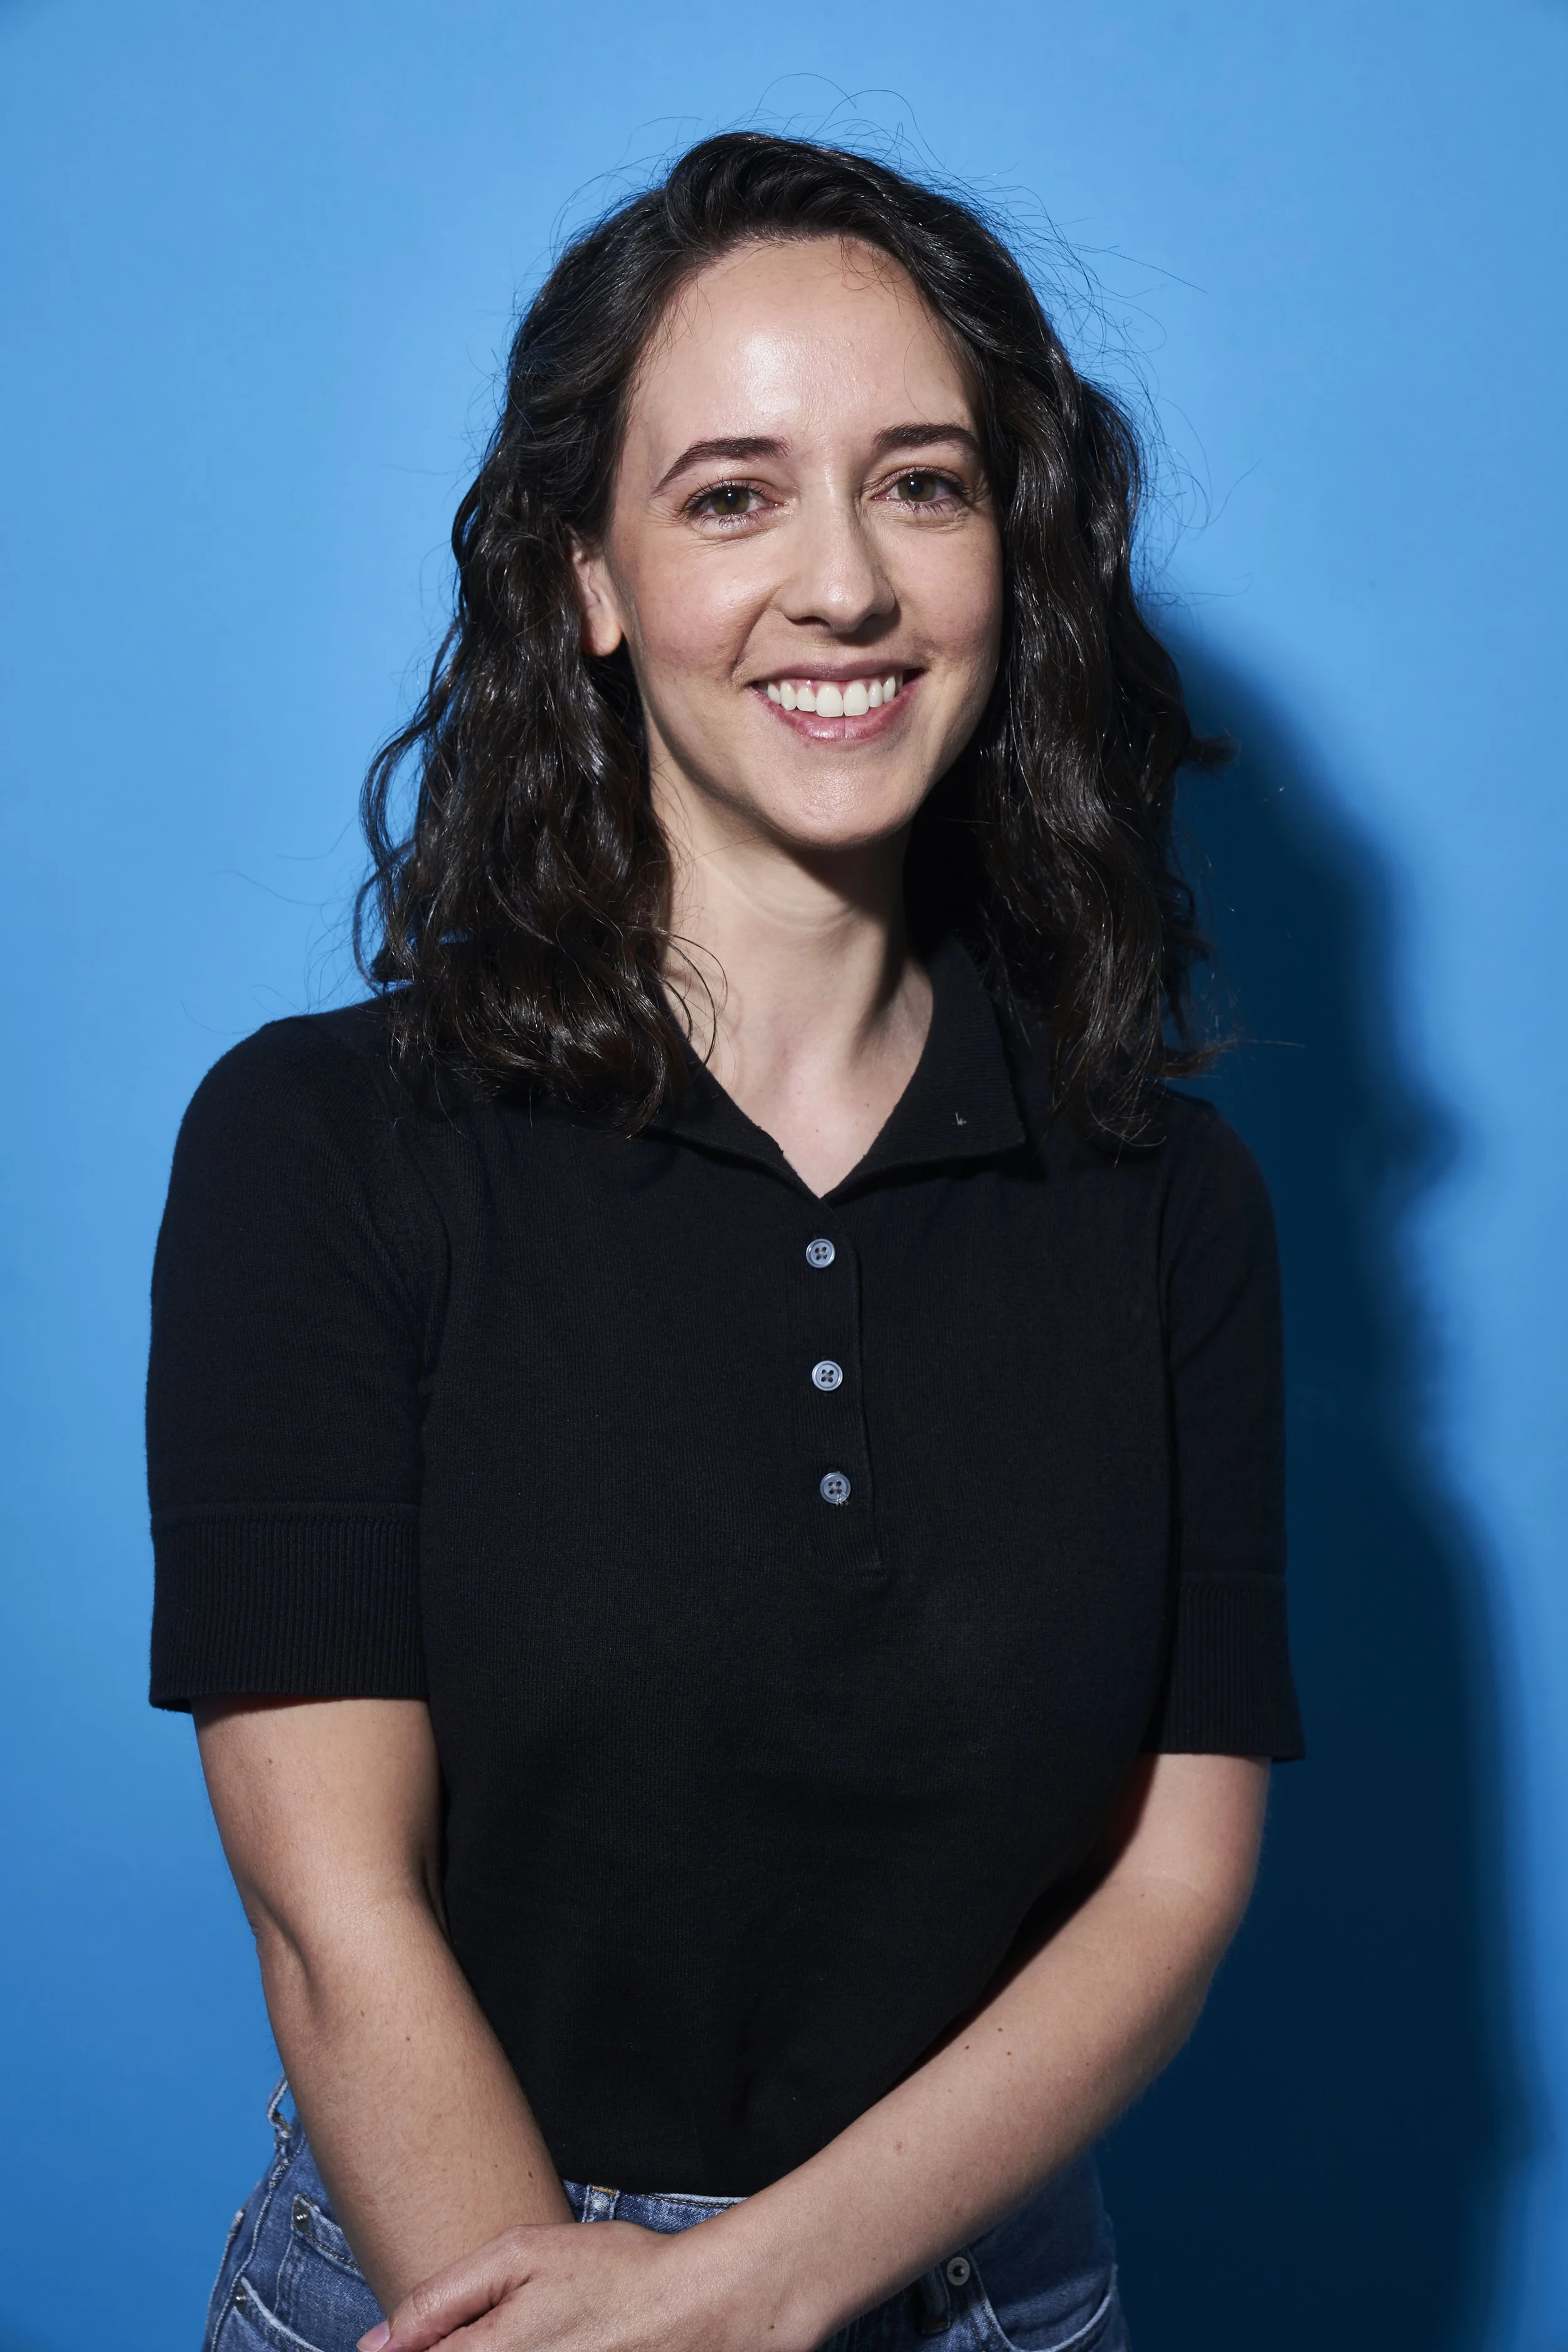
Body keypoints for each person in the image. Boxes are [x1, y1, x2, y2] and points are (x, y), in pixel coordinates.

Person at [147, 132, 1303, 2352]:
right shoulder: (323, 1143)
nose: (842, 586)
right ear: (589, 577)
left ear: (1008, 551)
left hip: (981, 2296)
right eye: (731, 497)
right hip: (446, 2275)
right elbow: (330, 1906)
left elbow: (1172, 1887)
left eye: (921, 485)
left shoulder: (1172, 1205)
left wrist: (748, 2294)